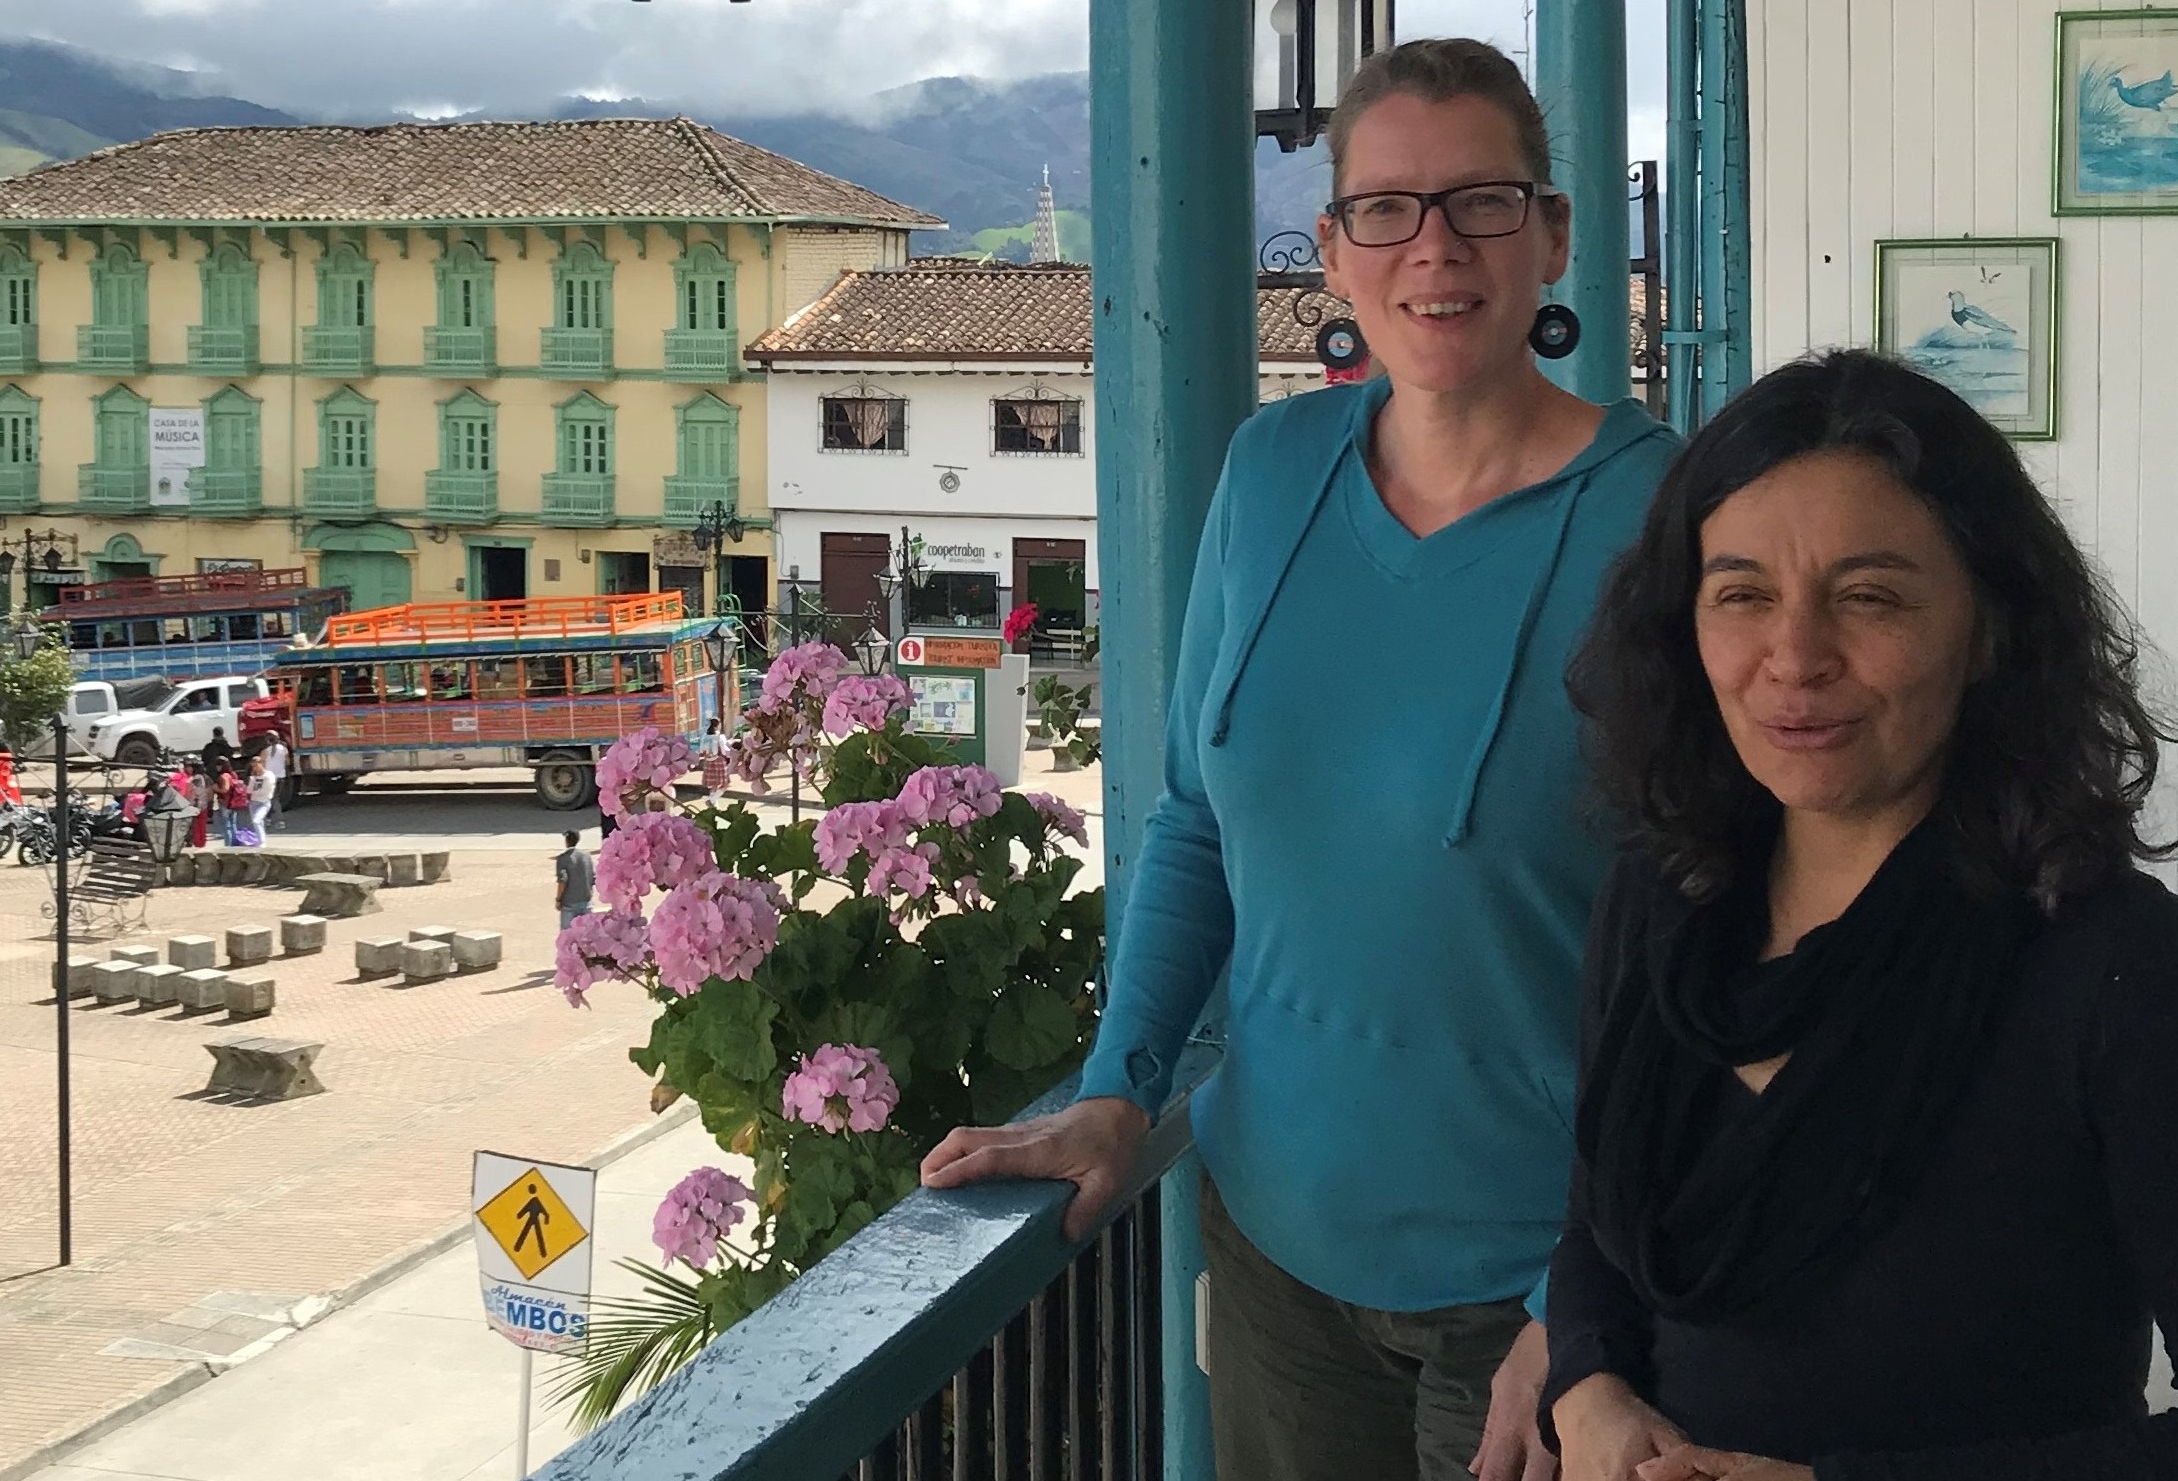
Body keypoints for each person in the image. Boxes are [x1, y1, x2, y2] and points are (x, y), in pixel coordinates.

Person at [917, 39, 1680, 1481]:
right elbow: (1197, 823)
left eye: (1483, 203)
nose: (1434, 248)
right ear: (1332, 250)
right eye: (1386, 210)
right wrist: (1116, 1085)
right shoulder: (1270, 475)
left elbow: (1715, 934)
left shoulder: (1669, 523)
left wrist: (1590, 1295)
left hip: (1532, 1292)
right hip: (1271, 1247)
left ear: (1556, 235)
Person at [1545, 350, 2178, 1478]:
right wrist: (1586, 1382)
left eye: (1869, 596)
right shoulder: (1666, 893)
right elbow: (1604, 1215)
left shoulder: (2113, 964)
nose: (1795, 658)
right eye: (1741, 593)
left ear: (1990, 628)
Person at [555, 831, 595, 932]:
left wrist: (558, 899)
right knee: (586, 937)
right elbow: (593, 878)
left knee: (568, 938)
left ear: (567, 841)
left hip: (569, 902)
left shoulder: (563, 858)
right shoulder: (587, 856)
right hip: (586, 900)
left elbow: (562, 881)